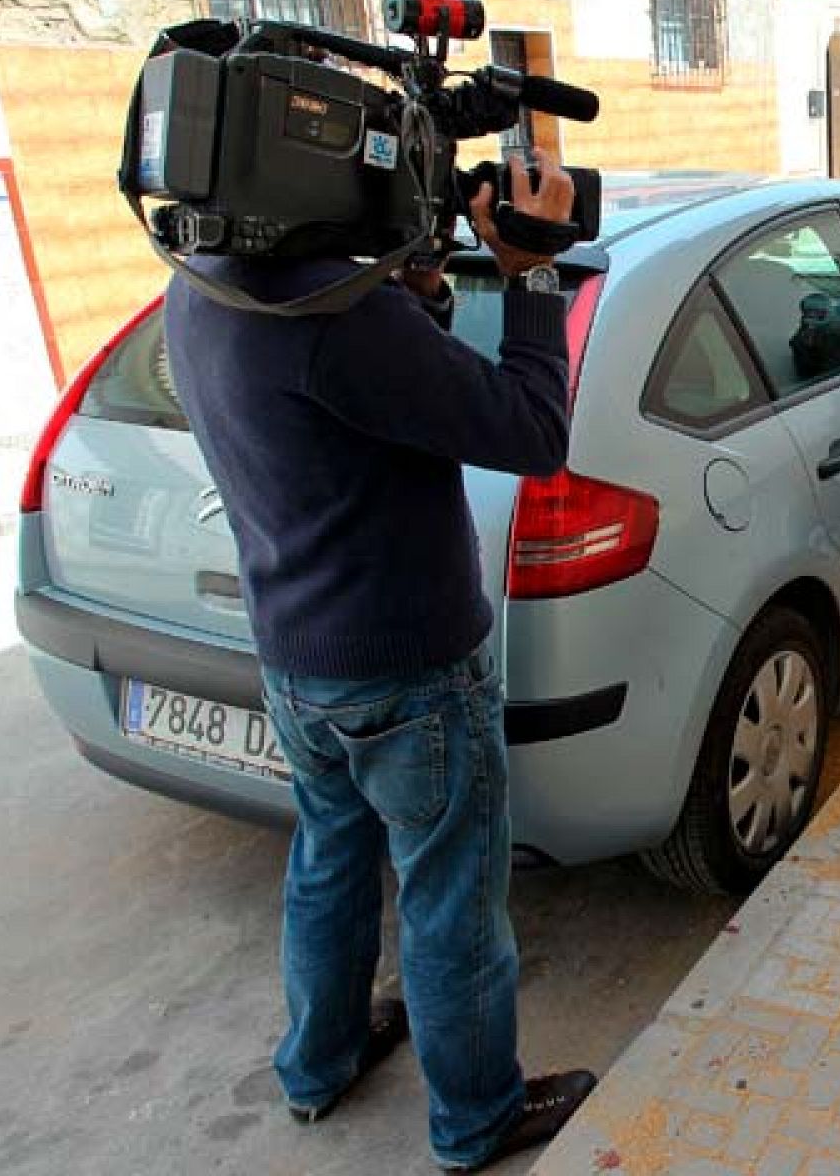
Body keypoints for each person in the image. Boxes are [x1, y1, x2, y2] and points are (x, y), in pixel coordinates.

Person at [163, 149, 596, 1172]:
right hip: (410, 671)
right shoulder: (338, 315)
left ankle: (319, 1063)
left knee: (328, 861)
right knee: (450, 901)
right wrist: (533, 272)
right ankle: (476, 1119)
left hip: (296, 659)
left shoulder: (201, 285)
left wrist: (423, 293)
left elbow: (375, 403)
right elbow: (533, 432)